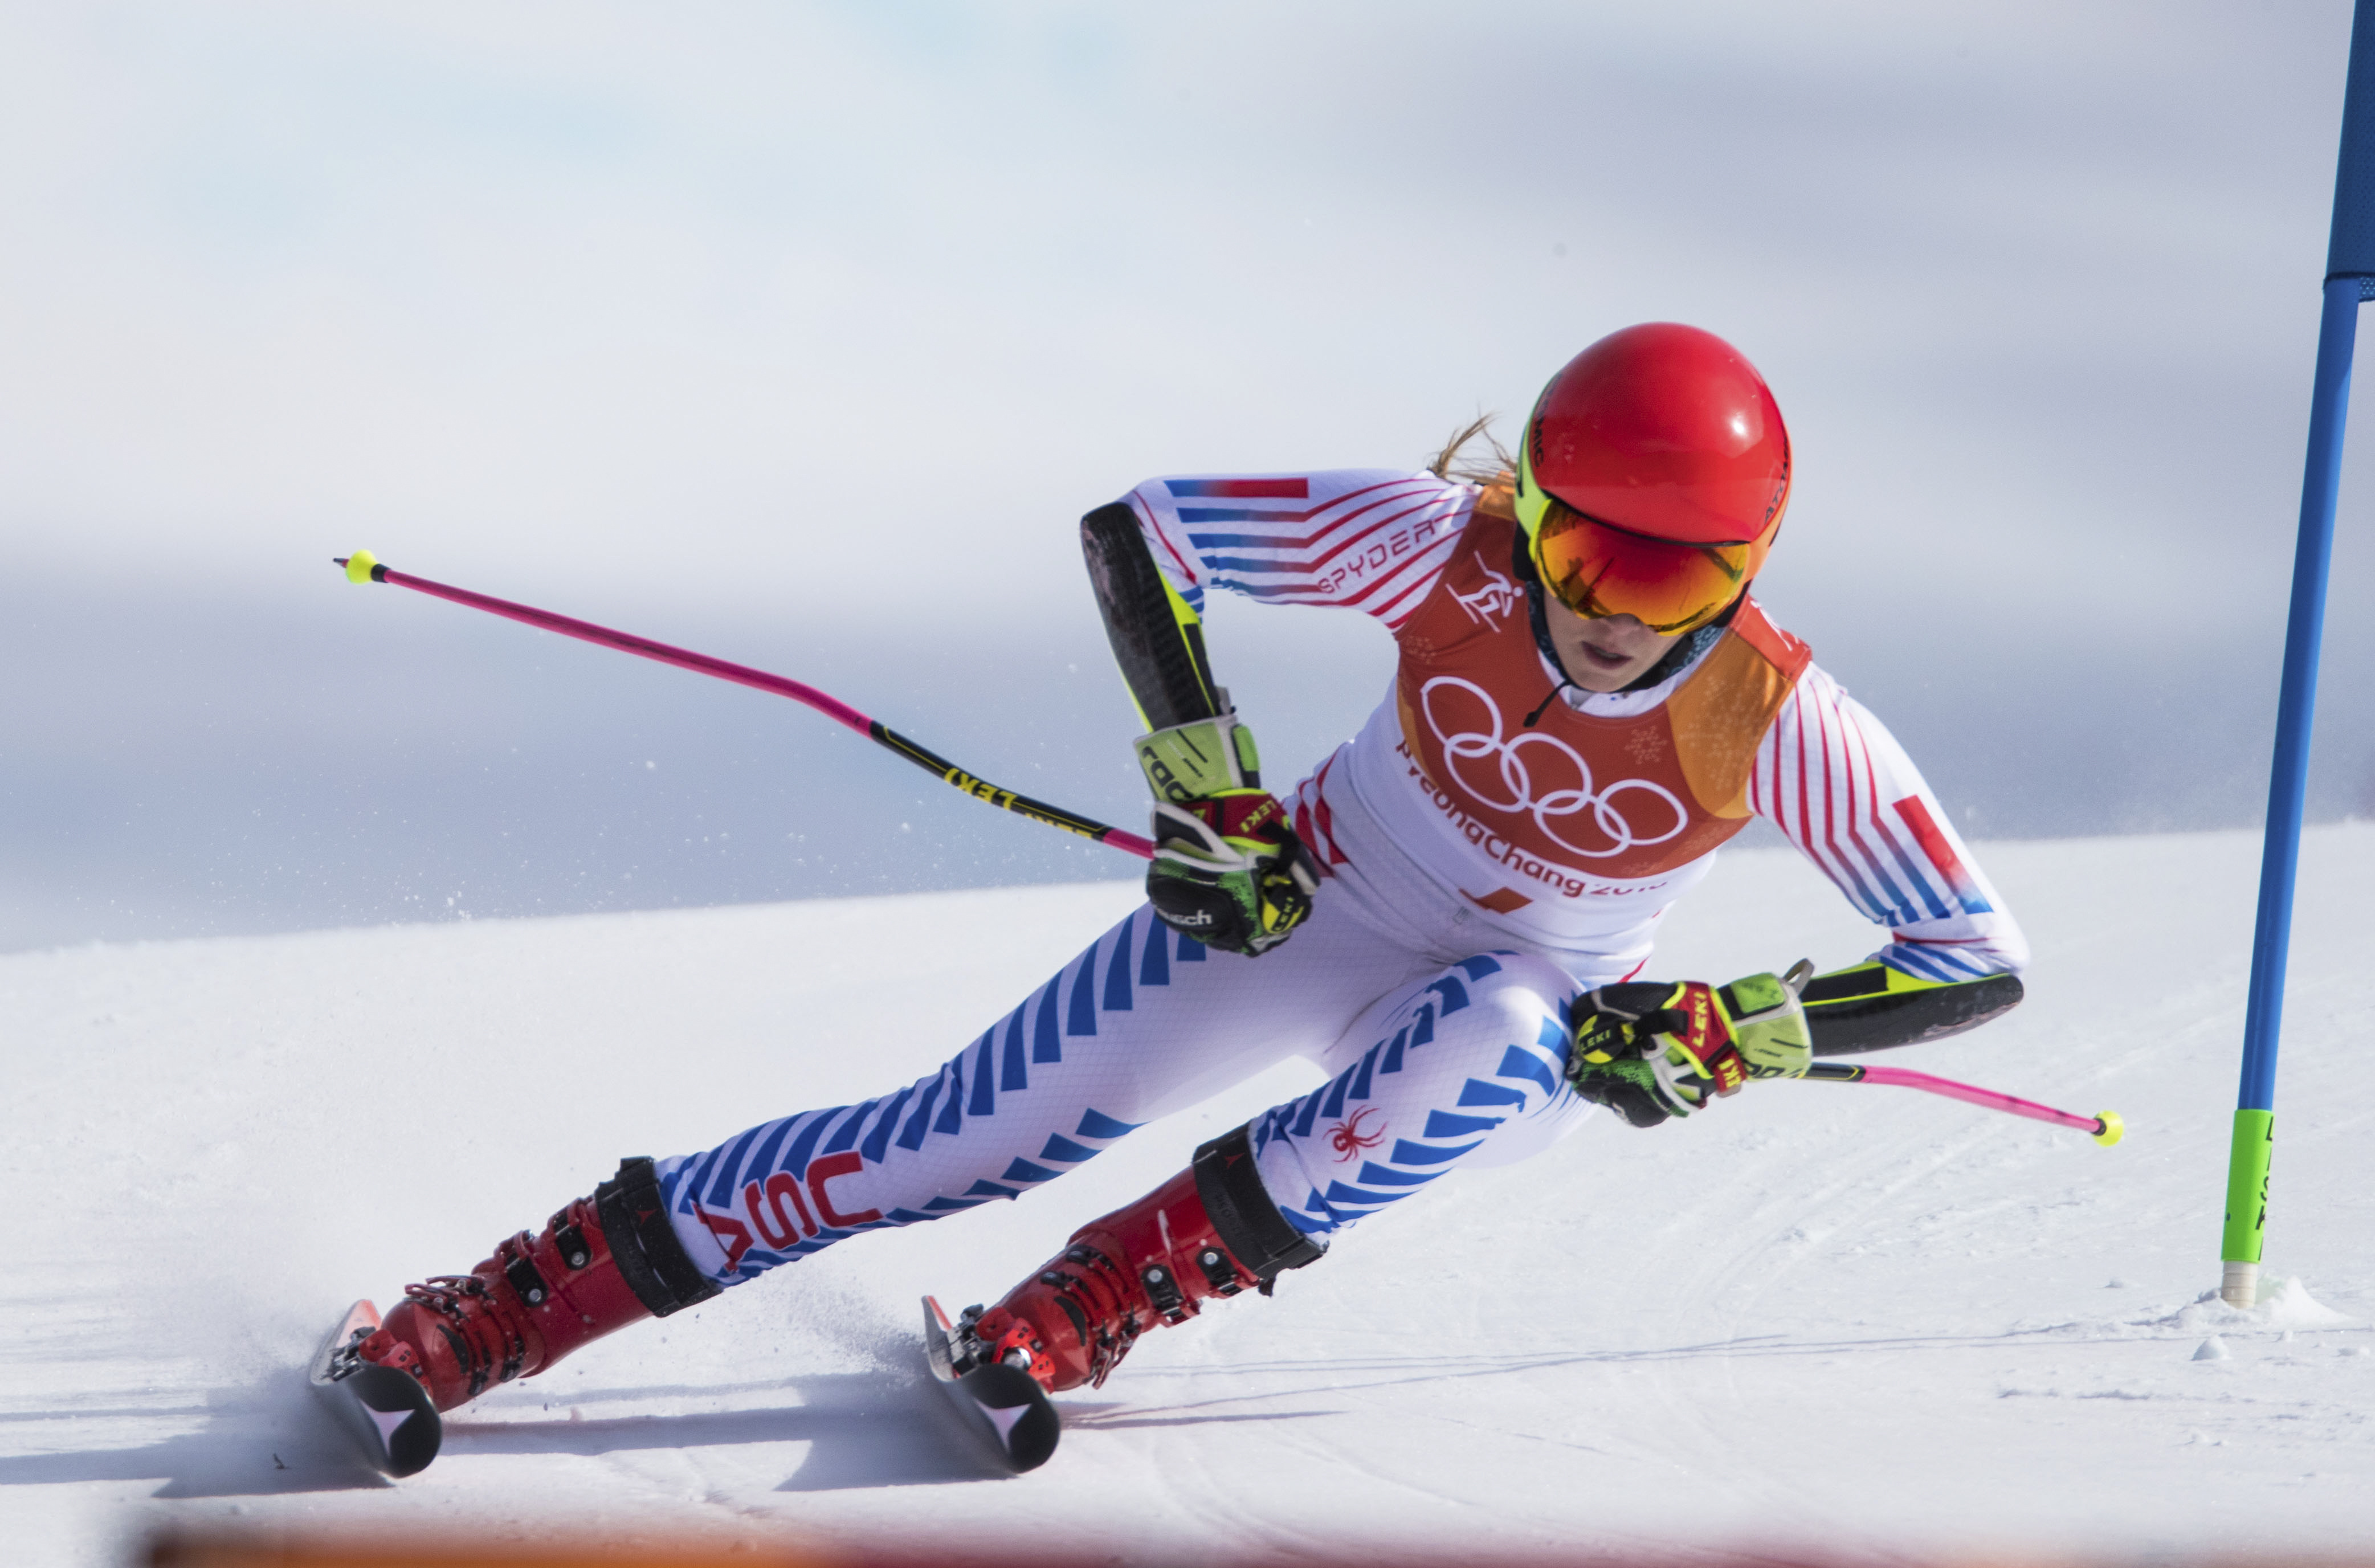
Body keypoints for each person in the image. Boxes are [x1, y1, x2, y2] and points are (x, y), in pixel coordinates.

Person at [347, 322, 2027, 1408]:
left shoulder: (1779, 717)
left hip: (1514, 1001)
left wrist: (1733, 1027)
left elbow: (1973, 953)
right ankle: (505, 1308)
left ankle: (1096, 1301)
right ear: (1532, 514)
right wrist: (1206, 790)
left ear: (1744, 573)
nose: (1601, 612)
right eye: (1576, 550)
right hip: (1317, 900)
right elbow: (1145, 530)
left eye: (1663, 588)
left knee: (1505, 1041)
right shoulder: (1438, 545)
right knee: (958, 1142)